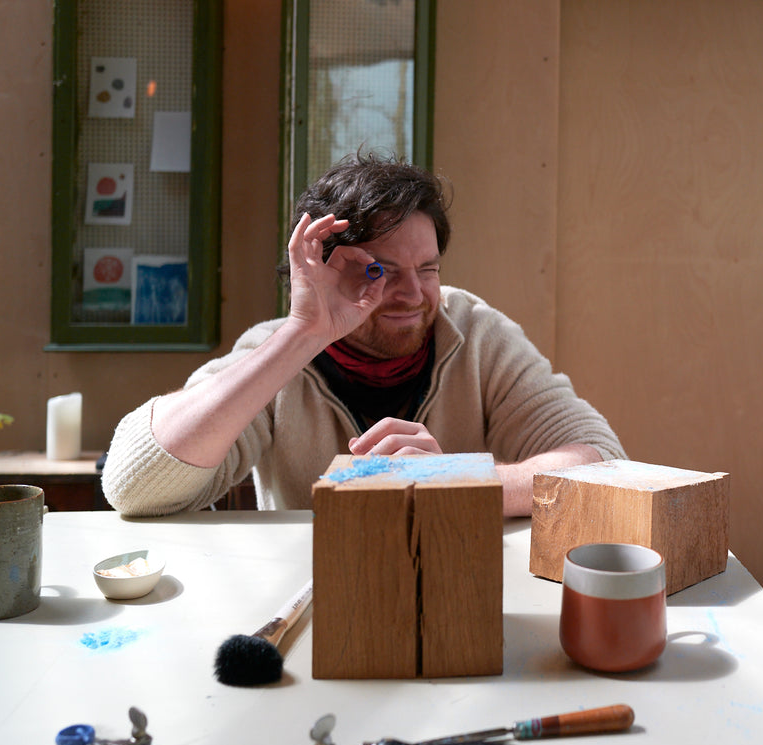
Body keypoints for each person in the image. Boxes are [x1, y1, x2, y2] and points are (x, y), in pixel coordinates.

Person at [101, 152, 624, 517]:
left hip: (457, 590)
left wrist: (459, 480)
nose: (413, 294)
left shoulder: (477, 333)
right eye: (381, 271)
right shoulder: (276, 351)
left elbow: (604, 464)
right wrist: (304, 333)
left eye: (428, 269)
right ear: (326, 269)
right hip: (310, 602)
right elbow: (133, 487)